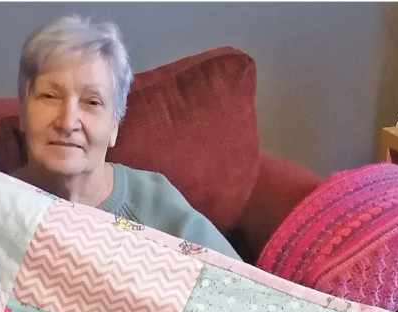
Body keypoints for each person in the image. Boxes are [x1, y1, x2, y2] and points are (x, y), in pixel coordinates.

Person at [13, 16, 241, 261]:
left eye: (92, 102)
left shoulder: (155, 204)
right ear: (23, 112)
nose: (68, 122)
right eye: (49, 96)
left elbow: (241, 281)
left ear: (114, 125)